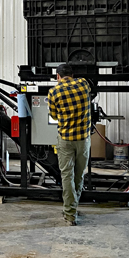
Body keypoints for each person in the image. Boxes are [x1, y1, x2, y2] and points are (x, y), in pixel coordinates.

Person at [48, 63, 91, 226]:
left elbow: (53, 115)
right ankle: (73, 207)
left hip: (65, 140)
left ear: (58, 76)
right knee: (79, 175)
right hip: (83, 140)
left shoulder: (54, 91)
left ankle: (70, 214)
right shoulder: (84, 84)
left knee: (67, 176)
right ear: (72, 75)